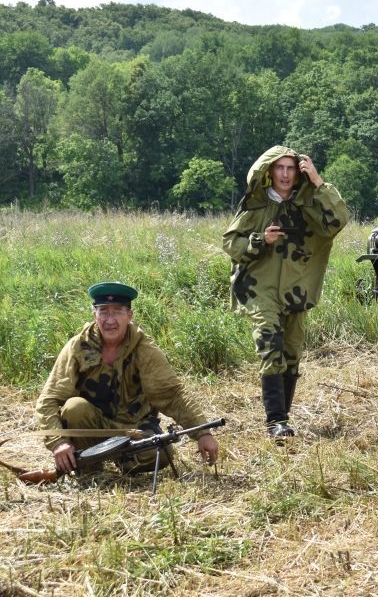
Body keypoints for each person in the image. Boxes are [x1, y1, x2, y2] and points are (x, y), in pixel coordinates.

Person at [223, 145, 350, 438]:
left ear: (299, 172)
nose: (284, 174)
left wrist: (319, 183)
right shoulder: (256, 205)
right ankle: (275, 421)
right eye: (279, 168)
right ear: (269, 172)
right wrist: (259, 240)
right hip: (260, 289)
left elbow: (338, 221)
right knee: (270, 346)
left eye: (290, 168)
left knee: (292, 352)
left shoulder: (307, 205)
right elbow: (231, 244)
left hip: (296, 290)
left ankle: (284, 418)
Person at [35, 282, 219, 475]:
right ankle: (89, 467)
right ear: (94, 315)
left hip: (133, 430)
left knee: (161, 454)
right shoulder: (77, 346)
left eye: (117, 312)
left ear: (129, 316)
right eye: (103, 311)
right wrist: (59, 442)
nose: (110, 319)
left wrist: (202, 433)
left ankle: (123, 462)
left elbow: (173, 396)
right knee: (74, 408)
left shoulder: (145, 349)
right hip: (93, 428)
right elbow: (49, 399)